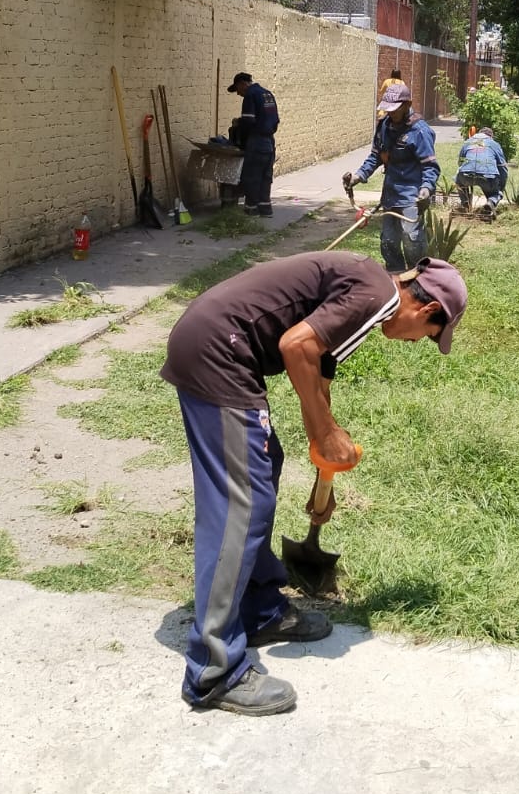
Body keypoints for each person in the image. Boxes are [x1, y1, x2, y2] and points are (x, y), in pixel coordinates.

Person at [160, 251, 469, 716]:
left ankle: (259, 609)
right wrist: (323, 432)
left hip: (217, 346)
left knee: (264, 466)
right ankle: (214, 669)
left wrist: (326, 455)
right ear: (426, 309)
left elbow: (318, 370)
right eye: (430, 336)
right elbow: (296, 345)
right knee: (241, 503)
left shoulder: (370, 291)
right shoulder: (378, 295)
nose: (417, 342)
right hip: (216, 351)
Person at [342, 83, 440, 272]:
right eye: (388, 109)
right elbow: (376, 156)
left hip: (412, 196)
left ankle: (418, 278)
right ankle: (395, 279)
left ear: (407, 104)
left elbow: (430, 167)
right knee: (388, 242)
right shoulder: (384, 126)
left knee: (412, 239)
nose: (390, 114)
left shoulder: (419, 131)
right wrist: (358, 176)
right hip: (390, 195)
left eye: (394, 110)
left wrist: (426, 189)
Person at [226, 72, 279, 217]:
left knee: (252, 177)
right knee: (265, 177)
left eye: (237, 90)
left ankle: (252, 210)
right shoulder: (267, 94)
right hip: (269, 141)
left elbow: (248, 123)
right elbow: (275, 121)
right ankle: (266, 209)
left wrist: (240, 139)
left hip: (256, 142)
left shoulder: (250, 95)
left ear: (242, 84)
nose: (238, 94)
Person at [456, 126, 509, 218]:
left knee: (459, 182)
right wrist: (501, 187)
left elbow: (460, 162)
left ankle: (465, 204)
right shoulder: (494, 144)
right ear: (490, 136)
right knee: (495, 193)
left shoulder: (467, 142)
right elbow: (502, 167)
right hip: (488, 177)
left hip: (466, 175)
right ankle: (491, 202)